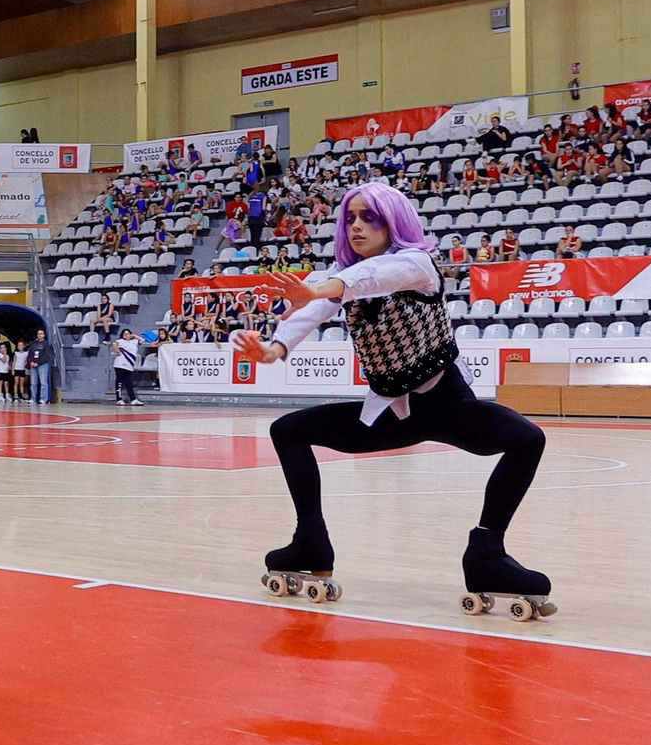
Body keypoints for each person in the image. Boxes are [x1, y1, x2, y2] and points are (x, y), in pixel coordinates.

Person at [234, 182, 552, 618]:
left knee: (527, 438)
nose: (356, 226)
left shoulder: (416, 264)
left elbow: (368, 278)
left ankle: (486, 554)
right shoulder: (339, 280)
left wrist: (322, 288)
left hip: (446, 403)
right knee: (287, 430)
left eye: (369, 217)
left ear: (394, 222)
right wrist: (271, 350)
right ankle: (310, 541)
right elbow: (308, 313)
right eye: (350, 218)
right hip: (390, 412)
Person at [112, 329, 143, 406]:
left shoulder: (134, 342)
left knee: (129, 383)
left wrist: (135, 335)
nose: (126, 335)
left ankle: (133, 399)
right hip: (120, 364)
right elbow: (114, 344)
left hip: (129, 365)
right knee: (119, 382)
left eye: (128, 333)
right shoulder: (121, 341)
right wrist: (118, 352)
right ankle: (119, 399)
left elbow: (142, 340)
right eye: (125, 334)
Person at [27, 327, 53, 403]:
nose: (40, 335)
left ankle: (43, 399)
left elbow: (46, 356)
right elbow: (30, 354)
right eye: (38, 334)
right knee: (33, 383)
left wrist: (38, 362)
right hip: (33, 365)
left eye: (41, 334)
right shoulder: (33, 344)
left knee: (43, 383)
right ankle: (33, 398)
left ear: (44, 335)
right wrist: (31, 362)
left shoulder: (46, 344)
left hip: (43, 365)